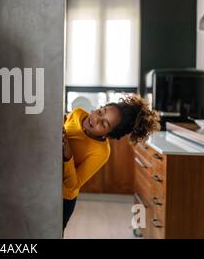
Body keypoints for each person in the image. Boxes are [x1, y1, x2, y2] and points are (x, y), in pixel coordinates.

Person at [62, 95, 160, 232]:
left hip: (63, 198)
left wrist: (68, 156)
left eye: (103, 124)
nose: (95, 119)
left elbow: (73, 185)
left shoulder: (101, 152)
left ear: (108, 135)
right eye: (101, 111)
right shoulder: (77, 113)